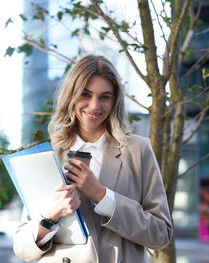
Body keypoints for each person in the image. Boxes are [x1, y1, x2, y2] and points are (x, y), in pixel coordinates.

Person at [12, 54, 173, 262]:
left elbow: (161, 235)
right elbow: (22, 249)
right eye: (85, 95)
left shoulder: (138, 150)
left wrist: (102, 195)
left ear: (114, 101)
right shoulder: (49, 155)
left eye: (104, 97)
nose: (94, 106)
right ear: (71, 95)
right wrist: (49, 217)